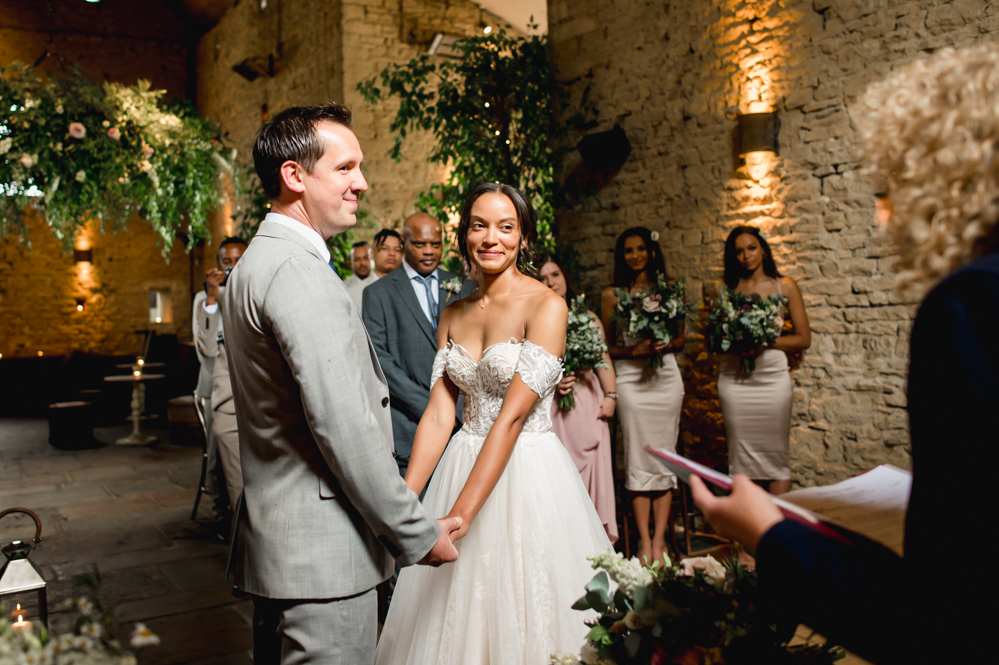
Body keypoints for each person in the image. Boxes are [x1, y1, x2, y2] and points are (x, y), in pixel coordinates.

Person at [690, 45, 999, 665]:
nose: (883, 217)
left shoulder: (970, 304)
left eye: (890, 189)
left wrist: (771, 535)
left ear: (950, 184)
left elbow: (945, 618)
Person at [220, 102, 460, 665]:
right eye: (346, 168)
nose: (362, 182)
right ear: (295, 176)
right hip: (323, 553)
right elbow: (342, 422)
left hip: (287, 544)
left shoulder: (264, 260)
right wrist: (416, 533)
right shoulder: (295, 271)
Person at [374, 183, 611, 665]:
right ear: (464, 235)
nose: (491, 238)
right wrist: (403, 505)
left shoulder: (546, 305)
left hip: (526, 470)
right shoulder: (454, 312)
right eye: (479, 225)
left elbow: (512, 417)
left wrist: (454, 522)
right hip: (462, 458)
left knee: (524, 611)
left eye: (506, 227)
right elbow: (441, 415)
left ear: (523, 238)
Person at [362, 212, 476, 478]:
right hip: (411, 427)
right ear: (404, 243)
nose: (429, 251)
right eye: (420, 244)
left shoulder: (464, 287)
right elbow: (379, 360)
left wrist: (459, 409)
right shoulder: (378, 294)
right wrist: (433, 407)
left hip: (465, 426)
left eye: (435, 244)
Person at [600, 227, 684, 566]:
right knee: (637, 459)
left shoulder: (669, 290)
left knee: (665, 459)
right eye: (628, 251)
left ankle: (660, 539)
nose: (635, 256)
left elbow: (681, 339)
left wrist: (665, 344)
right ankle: (643, 541)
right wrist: (635, 349)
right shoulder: (612, 294)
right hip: (632, 378)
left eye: (640, 250)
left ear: (651, 252)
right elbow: (606, 346)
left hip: (665, 376)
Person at [716, 226, 811, 495]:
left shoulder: (786, 286)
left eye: (752, 248)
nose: (746, 256)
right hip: (735, 380)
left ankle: (777, 532)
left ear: (764, 250)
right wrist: (737, 339)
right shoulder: (727, 290)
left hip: (772, 380)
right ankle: (747, 534)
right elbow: (717, 340)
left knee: (776, 459)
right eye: (738, 251)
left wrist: (765, 342)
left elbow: (803, 338)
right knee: (741, 461)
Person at [538, 254, 619, 543]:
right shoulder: (534, 317)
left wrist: (611, 395)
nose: (551, 282)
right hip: (553, 408)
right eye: (543, 278)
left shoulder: (586, 318)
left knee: (592, 476)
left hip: (586, 399)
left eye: (555, 275)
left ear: (565, 278)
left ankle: (594, 545)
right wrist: (554, 380)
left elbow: (602, 358)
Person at [191, 239, 245, 536]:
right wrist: (213, 298)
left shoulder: (250, 292)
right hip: (215, 389)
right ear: (218, 263)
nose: (232, 265)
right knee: (217, 462)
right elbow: (207, 351)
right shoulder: (204, 298)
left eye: (238, 259)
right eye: (227, 260)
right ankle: (223, 517)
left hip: (248, 394)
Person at [343, 240, 377, 309]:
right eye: (357, 259)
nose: (362, 263)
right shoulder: (344, 287)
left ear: (372, 257)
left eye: (366, 258)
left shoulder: (380, 282)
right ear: (351, 262)